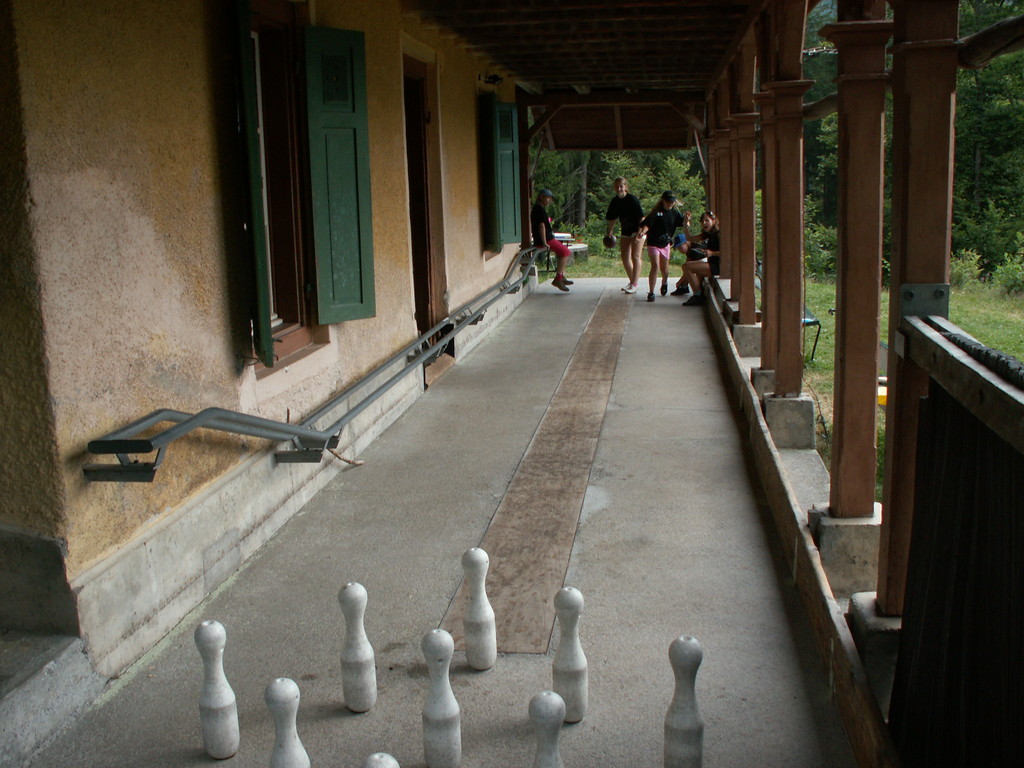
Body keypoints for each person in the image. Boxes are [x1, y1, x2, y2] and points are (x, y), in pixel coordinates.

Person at [636, 191, 688, 302]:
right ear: (663, 201)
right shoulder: (656, 213)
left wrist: (687, 221)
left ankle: (664, 282)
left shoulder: (675, 213)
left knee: (665, 269)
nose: (670, 204)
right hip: (653, 242)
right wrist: (642, 232)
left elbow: (683, 223)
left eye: (672, 202)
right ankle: (651, 292)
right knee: (655, 265)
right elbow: (647, 224)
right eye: (668, 201)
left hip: (665, 243)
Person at [603, 177, 646, 294]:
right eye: (617, 186)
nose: (619, 189)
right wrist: (609, 232)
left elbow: (642, 217)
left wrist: (639, 233)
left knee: (635, 256)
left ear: (625, 187)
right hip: (626, 231)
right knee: (624, 256)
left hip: (638, 230)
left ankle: (634, 284)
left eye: (621, 186)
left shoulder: (632, 199)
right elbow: (612, 218)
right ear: (614, 187)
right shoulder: (615, 201)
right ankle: (633, 282)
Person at [531, 189, 573, 292]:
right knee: (565, 252)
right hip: (546, 239)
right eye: (547, 198)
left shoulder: (539, 208)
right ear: (541, 197)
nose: (549, 200)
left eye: (550, 199)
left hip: (548, 237)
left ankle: (561, 276)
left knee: (561, 253)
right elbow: (541, 226)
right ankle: (558, 279)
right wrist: (544, 242)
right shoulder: (539, 209)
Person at [681, 211, 721, 306]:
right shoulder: (707, 234)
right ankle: (699, 292)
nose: (704, 223)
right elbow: (690, 238)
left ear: (713, 221)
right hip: (712, 263)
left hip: (719, 266)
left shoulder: (719, 234)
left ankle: (698, 295)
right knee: (694, 266)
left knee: (687, 266)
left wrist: (712, 253)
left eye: (707, 220)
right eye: (702, 221)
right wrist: (685, 225)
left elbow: (728, 252)